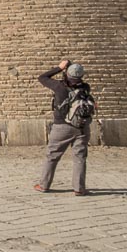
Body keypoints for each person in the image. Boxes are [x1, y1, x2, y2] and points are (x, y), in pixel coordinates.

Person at [34, 59, 94, 195]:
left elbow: (42, 77)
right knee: (79, 157)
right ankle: (79, 188)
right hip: (82, 127)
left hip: (62, 126)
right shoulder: (86, 87)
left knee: (52, 156)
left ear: (67, 73)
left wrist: (59, 68)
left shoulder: (59, 86)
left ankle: (44, 185)